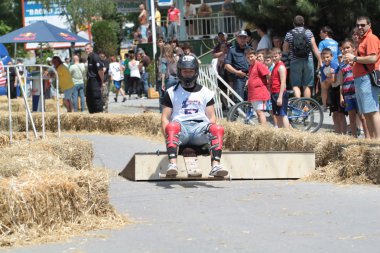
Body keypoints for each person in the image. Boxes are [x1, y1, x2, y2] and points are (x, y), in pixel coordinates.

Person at [161, 54, 228, 177]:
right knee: (171, 126)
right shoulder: (171, 92)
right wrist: (168, 138)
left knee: (217, 128)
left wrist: (210, 133)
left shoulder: (206, 92)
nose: (187, 74)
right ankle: (172, 165)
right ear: (180, 72)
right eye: (184, 71)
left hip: (199, 130)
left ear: (196, 72)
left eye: (190, 71)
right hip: (181, 130)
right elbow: (165, 118)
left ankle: (215, 166)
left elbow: (212, 117)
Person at [343, 16, 380, 139]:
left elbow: (373, 58)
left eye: (363, 25)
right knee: (367, 112)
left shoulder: (371, 38)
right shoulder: (362, 40)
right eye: (358, 25)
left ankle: (377, 141)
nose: (360, 27)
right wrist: (353, 62)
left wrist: (354, 58)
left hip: (367, 78)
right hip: (361, 79)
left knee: (373, 111)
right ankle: (372, 141)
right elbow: (363, 60)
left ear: (369, 25)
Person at [283, 15, 322, 98]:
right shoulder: (308, 32)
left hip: (295, 61)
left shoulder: (289, 34)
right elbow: (315, 48)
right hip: (308, 60)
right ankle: (306, 108)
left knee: (295, 84)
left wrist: (286, 59)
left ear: (293, 23)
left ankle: (299, 104)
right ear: (303, 23)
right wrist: (320, 61)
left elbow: (285, 49)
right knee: (307, 85)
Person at [338, 39, 368, 138]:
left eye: (348, 47)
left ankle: (368, 138)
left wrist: (353, 63)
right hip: (347, 95)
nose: (346, 50)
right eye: (344, 48)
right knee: (351, 119)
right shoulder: (342, 64)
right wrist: (341, 96)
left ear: (353, 48)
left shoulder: (357, 61)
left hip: (357, 93)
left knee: (362, 117)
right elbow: (341, 82)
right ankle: (354, 138)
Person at [321, 48, 347, 134]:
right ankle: (338, 134)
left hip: (339, 89)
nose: (326, 59)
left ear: (332, 56)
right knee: (334, 114)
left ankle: (344, 135)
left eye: (327, 57)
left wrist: (329, 79)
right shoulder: (323, 68)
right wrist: (329, 79)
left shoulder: (334, 64)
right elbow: (325, 85)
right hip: (332, 90)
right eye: (324, 57)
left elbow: (333, 80)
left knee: (341, 114)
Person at [244, 48, 270, 124]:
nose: (250, 58)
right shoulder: (250, 67)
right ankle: (261, 130)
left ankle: (264, 131)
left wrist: (268, 85)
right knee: (257, 113)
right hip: (253, 93)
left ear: (255, 56)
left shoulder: (259, 64)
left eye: (251, 56)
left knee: (260, 112)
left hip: (259, 92)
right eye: (248, 57)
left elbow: (268, 74)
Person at [318, 26, 341, 110]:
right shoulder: (336, 42)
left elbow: (320, 56)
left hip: (326, 66)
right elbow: (339, 56)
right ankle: (336, 103)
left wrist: (319, 69)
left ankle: (324, 105)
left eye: (321, 32)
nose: (319, 34)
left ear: (325, 33)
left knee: (324, 87)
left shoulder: (322, 42)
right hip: (336, 66)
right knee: (335, 85)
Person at [224, 30, 251, 101]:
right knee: (239, 99)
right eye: (240, 37)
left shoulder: (251, 49)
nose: (242, 39)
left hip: (251, 77)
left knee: (252, 99)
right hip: (239, 78)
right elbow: (227, 65)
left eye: (244, 38)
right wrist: (237, 72)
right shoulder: (232, 50)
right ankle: (240, 112)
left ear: (247, 38)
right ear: (237, 38)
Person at [270, 48, 290, 128]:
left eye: (275, 56)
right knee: (277, 114)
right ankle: (280, 132)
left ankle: (287, 133)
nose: (274, 58)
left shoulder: (281, 67)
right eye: (272, 57)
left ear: (280, 55)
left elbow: (283, 83)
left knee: (283, 114)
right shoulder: (275, 66)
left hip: (279, 93)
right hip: (274, 92)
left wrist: (280, 97)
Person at [84, 43, 104, 113]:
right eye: (85, 49)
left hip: (95, 80)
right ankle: (92, 114)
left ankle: (99, 114)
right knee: (89, 99)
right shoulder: (89, 57)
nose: (86, 50)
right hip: (90, 80)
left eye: (88, 48)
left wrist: (102, 81)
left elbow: (100, 70)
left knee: (96, 98)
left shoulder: (95, 57)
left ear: (92, 48)